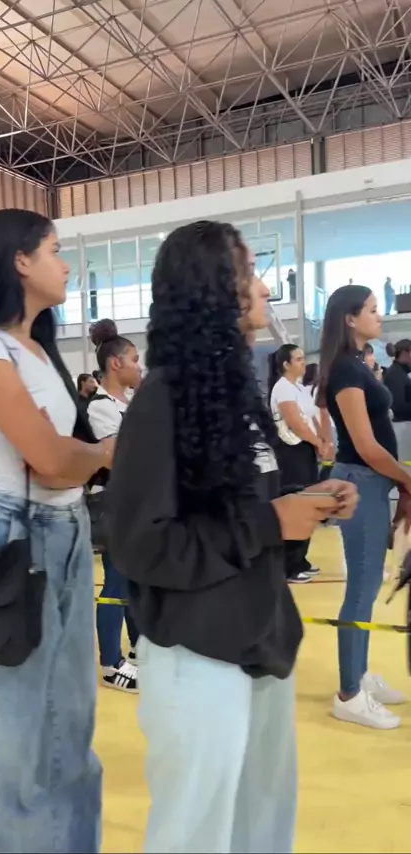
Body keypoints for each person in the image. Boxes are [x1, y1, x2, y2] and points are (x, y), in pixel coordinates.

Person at [106, 220, 357, 854]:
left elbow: (237, 512)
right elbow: (140, 544)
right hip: (199, 654)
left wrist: (307, 501)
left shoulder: (234, 396)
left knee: (262, 830)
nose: (266, 288)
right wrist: (270, 523)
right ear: (213, 288)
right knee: (196, 838)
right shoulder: (162, 401)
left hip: (260, 643)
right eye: (249, 273)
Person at [0, 209, 111, 853]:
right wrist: (103, 452)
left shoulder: (40, 351)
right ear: (19, 259)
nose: (66, 265)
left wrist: (83, 456)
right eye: (54, 250)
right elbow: (46, 457)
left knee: (72, 724)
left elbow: (63, 456)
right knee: (16, 734)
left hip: (68, 527)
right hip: (15, 533)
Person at [317, 284, 411, 730]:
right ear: (350, 318)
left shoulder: (358, 363)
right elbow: (366, 446)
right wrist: (407, 479)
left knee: (369, 585)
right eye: (372, 309)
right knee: (361, 586)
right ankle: (349, 693)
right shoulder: (344, 370)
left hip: (374, 482)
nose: (379, 315)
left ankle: (361, 671)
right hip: (361, 481)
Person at [88, 318, 142, 692]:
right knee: (117, 578)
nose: (139, 366)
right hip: (112, 501)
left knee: (136, 576)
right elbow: (115, 456)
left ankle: (140, 646)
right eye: (134, 359)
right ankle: (111, 663)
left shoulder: (132, 404)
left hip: (135, 500)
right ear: (116, 363)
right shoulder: (100, 407)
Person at [269, 345, 326, 583]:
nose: (304, 363)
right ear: (286, 364)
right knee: (297, 502)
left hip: (305, 449)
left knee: (310, 500)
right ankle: (289, 565)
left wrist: (321, 441)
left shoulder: (300, 388)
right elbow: (295, 423)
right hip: (291, 451)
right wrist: (316, 441)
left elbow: (311, 418)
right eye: (299, 359)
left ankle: (301, 558)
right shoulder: (282, 388)